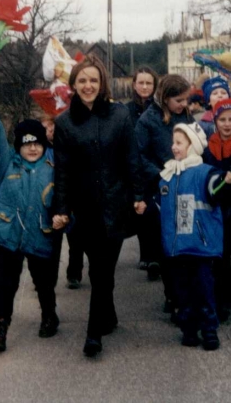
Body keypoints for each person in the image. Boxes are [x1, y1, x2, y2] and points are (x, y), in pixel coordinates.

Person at [52, 55, 146, 358]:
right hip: (86, 209)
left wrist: (139, 195)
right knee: (99, 269)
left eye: (93, 80)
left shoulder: (119, 116)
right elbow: (62, 170)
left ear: (101, 83)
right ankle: (108, 313)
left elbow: (132, 159)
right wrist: (62, 208)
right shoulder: (64, 123)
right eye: (82, 81)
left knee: (104, 267)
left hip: (117, 205)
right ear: (73, 86)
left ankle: (93, 333)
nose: (88, 85)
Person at [0, 103, 64, 352]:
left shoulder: (53, 167)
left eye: (37, 143)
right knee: (4, 284)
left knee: (44, 280)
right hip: (8, 234)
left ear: (44, 144)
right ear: (18, 146)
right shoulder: (7, 164)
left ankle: (49, 314)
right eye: (26, 144)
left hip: (41, 232)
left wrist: (64, 215)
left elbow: (64, 194)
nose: (32, 148)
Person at [159, 122, 231, 350]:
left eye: (179, 143)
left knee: (204, 289)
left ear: (193, 146)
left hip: (200, 246)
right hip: (177, 247)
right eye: (173, 142)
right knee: (183, 291)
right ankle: (189, 328)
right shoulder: (169, 174)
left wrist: (223, 183)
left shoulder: (205, 172)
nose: (174, 147)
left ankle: (209, 330)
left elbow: (214, 189)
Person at [136, 74, 194, 303]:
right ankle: (172, 295)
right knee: (168, 244)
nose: (184, 104)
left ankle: (187, 291)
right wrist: (160, 173)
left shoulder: (187, 117)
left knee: (186, 241)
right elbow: (139, 154)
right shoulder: (148, 120)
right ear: (166, 98)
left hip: (187, 183)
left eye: (185, 99)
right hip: (161, 186)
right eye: (179, 100)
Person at [201, 98, 231, 316]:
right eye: (223, 119)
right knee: (218, 251)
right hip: (215, 205)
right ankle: (219, 291)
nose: (227, 124)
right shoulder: (207, 146)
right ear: (215, 120)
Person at [41, 114, 82, 289]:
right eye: (46, 129)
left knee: (76, 239)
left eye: (54, 128)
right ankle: (47, 279)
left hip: (71, 197)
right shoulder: (41, 150)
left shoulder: (68, 146)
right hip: (51, 201)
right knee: (52, 242)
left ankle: (74, 273)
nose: (51, 132)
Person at [124, 67, 159, 272]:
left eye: (149, 83)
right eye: (141, 83)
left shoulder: (158, 108)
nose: (145, 87)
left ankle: (156, 255)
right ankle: (146, 253)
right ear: (134, 85)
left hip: (154, 165)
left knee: (155, 211)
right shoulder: (126, 110)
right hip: (134, 167)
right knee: (140, 212)